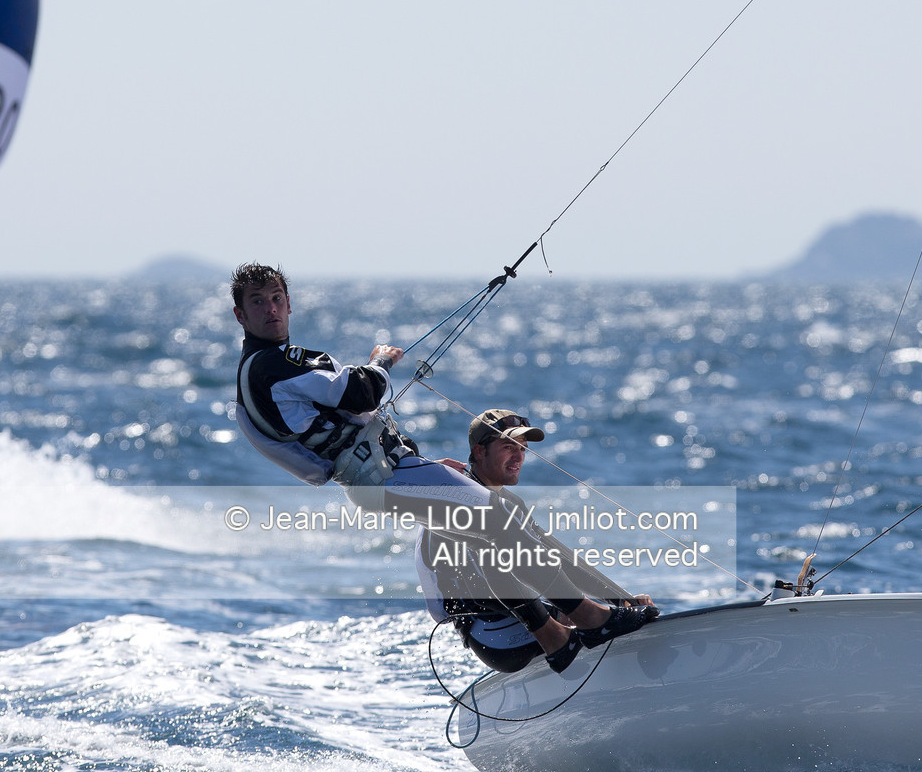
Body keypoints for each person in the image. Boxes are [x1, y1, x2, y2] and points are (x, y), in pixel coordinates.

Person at [229, 262, 655, 673]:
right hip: (384, 478)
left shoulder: (254, 371)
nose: (270, 309)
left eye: (277, 298)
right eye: (258, 302)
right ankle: (587, 622)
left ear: (289, 304)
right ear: (240, 314)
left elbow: (339, 438)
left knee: (497, 531)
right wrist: (380, 361)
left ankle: (576, 626)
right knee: (501, 525)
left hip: (379, 477)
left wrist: (422, 466)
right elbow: (360, 393)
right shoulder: (272, 363)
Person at [419, 408, 657, 673]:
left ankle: (577, 633)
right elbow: (474, 582)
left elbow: (558, 556)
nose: (518, 457)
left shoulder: (508, 503)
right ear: (479, 452)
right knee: (582, 618)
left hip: (508, 624)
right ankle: (561, 643)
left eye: (522, 449)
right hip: (490, 634)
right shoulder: (459, 495)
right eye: (508, 447)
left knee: (589, 610)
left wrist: (619, 599)